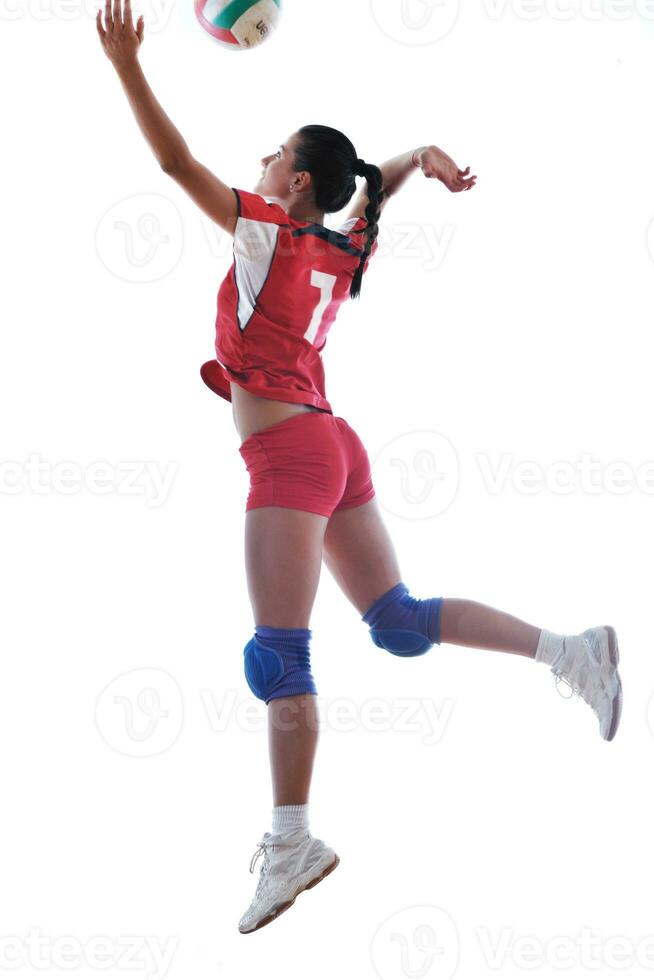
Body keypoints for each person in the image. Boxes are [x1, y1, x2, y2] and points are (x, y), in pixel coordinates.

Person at [96, 0, 623, 936]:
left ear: (292, 183)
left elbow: (176, 166)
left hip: (294, 458)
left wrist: (128, 66)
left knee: (280, 655)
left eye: (269, 159)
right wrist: (415, 156)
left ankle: (292, 838)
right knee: (400, 623)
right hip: (335, 448)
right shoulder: (340, 248)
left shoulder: (266, 230)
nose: (255, 166)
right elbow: (362, 190)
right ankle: (571, 653)